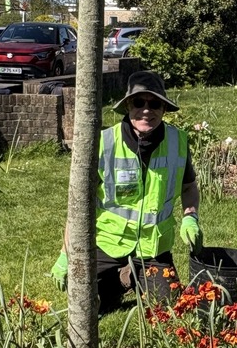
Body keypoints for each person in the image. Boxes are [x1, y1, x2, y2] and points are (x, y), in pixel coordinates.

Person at [51, 71, 203, 312]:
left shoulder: (178, 142)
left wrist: (190, 217)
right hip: (107, 244)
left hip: (153, 248)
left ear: (164, 109)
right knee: (85, 302)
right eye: (138, 102)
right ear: (127, 106)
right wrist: (65, 255)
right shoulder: (102, 143)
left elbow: (189, 187)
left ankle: (135, 275)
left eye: (154, 103)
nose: (146, 110)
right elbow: (80, 206)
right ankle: (125, 278)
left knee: (167, 310)